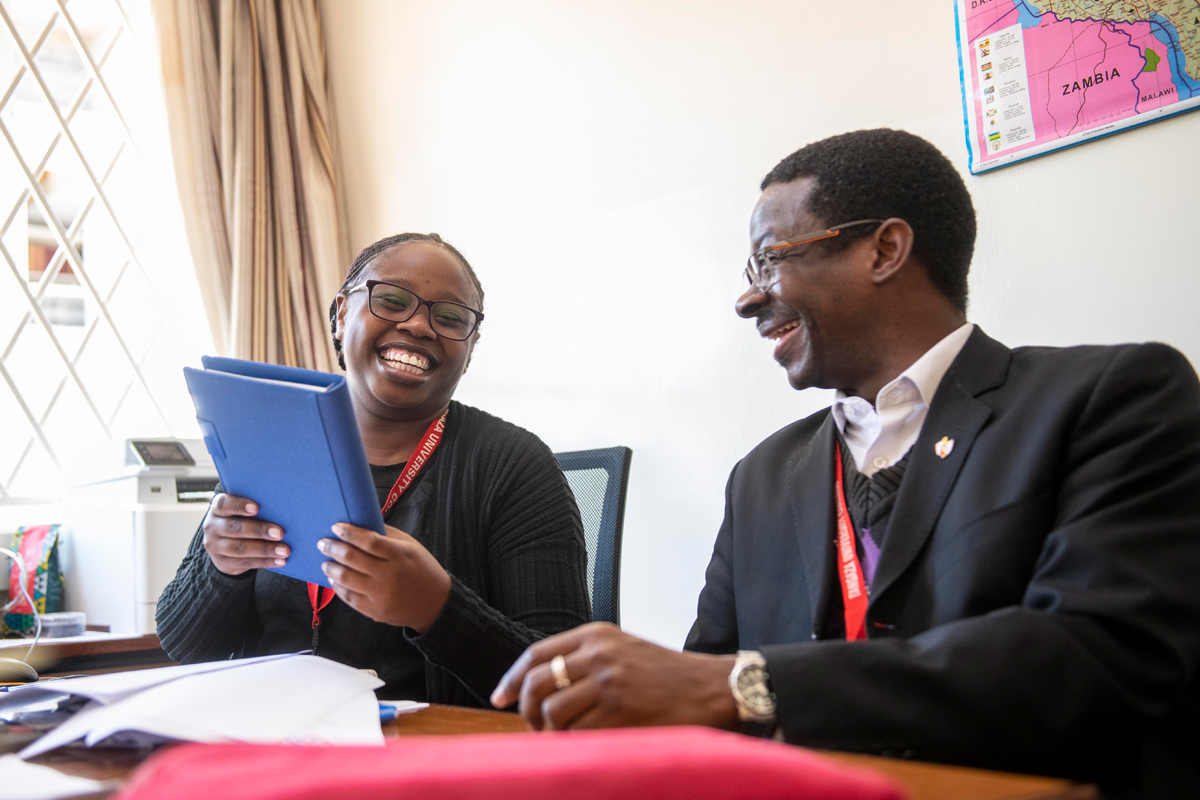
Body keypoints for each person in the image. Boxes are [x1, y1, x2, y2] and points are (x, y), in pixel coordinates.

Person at [490, 130, 1200, 797]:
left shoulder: (1114, 398)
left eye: (771, 258)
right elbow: (696, 683)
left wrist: (748, 685)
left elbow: (1096, 656)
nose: (747, 297)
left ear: (885, 250)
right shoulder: (763, 476)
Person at [159, 233, 591, 707]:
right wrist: (222, 569)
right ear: (343, 313)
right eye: (392, 300)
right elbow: (186, 646)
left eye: (449, 318)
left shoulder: (514, 466)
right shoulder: (272, 444)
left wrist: (437, 609)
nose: (420, 325)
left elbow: (563, 680)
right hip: (272, 742)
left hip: (428, 759)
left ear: (470, 350)